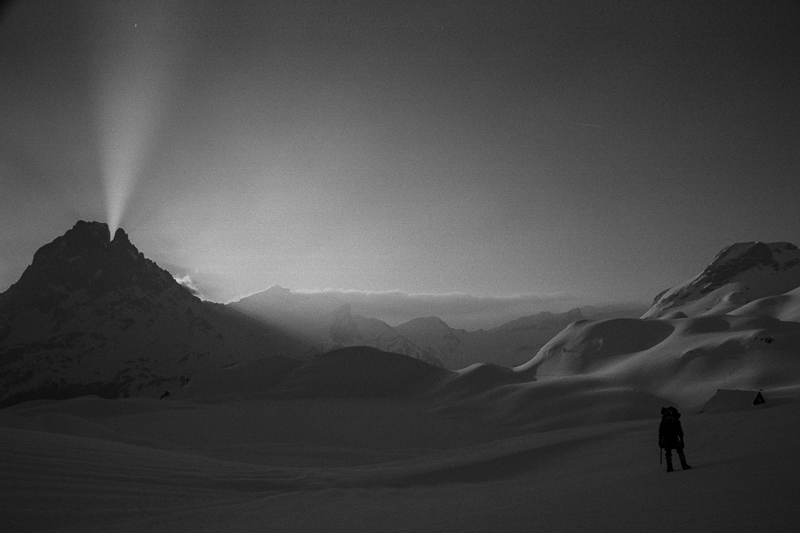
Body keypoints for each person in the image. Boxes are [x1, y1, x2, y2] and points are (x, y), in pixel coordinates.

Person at [659, 406, 691, 472]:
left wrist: (682, 440)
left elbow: (680, 432)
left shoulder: (664, 422)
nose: (668, 417)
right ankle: (682, 465)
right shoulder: (675, 421)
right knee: (674, 452)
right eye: (667, 416)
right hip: (670, 439)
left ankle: (671, 467)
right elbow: (661, 433)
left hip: (669, 439)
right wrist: (660, 440)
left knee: (673, 452)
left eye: (669, 416)